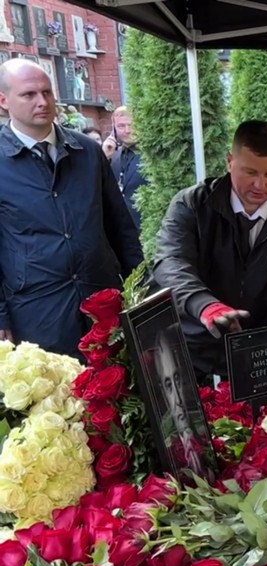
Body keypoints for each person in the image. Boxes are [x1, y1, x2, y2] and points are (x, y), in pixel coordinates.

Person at [152, 120, 267, 380]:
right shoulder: (192, 206)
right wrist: (205, 306)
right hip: (188, 345)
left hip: (255, 352)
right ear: (230, 161)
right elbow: (170, 263)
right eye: (250, 172)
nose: (260, 185)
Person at [0, 59, 142, 356]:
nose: (42, 101)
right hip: (37, 311)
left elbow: (120, 227)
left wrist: (139, 289)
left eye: (47, 92)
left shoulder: (87, 152)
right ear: (4, 101)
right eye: (29, 95)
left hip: (101, 303)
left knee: (115, 396)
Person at [148, 326, 210, 479]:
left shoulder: (202, 429)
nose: (178, 399)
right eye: (169, 385)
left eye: (177, 380)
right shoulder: (167, 444)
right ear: (162, 391)